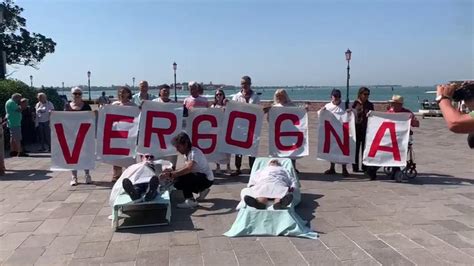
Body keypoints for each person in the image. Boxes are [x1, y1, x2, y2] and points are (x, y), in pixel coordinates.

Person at [159, 132, 214, 209]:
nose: (177, 149)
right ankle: (202, 190)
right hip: (203, 177)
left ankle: (190, 200)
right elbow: (184, 168)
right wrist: (170, 171)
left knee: (180, 179)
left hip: (206, 179)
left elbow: (188, 169)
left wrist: (172, 175)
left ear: (185, 144)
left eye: (178, 147)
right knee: (179, 178)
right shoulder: (187, 153)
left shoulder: (194, 153)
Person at [231, 76, 260, 176]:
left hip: (252, 126)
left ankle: (253, 168)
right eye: (243, 83)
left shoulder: (255, 96)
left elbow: (256, 109)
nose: (245, 85)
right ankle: (238, 168)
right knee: (238, 147)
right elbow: (233, 109)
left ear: (250, 84)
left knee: (252, 147)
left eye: (246, 83)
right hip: (239, 125)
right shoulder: (236, 96)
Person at [65, 87, 93, 186]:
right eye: (75, 93)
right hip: (71, 134)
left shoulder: (86, 106)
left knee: (85, 154)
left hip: (84, 134)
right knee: (73, 156)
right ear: (71, 95)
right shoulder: (67, 106)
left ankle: (87, 175)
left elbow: (91, 119)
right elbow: (63, 118)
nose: (77, 95)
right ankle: (74, 176)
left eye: (79, 94)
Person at [270, 89, 302, 173]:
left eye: (281, 96)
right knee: (280, 150)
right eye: (278, 96)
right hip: (279, 132)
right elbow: (269, 120)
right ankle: (280, 167)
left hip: (291, 131)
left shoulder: (292, 106)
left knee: (292, 150)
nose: (279, 98)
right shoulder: (274, 107)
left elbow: (300, 115)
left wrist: (304, 110)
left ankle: (292, 167)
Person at [320, 89, 350, 177]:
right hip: (331, 131)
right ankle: (332, 167)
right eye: (335, 96)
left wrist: (350, 111)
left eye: (338, 96)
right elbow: (320, 115)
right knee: (332, 149)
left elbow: (353, 114)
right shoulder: (328, 106)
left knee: (343, 150)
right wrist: (322, 111)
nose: (337, 98)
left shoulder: (345, 105)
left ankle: (344, 168)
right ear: (331, 96)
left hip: (343, 131)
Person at [111, 87, 137, 182]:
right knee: (116, 156)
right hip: (116, 134)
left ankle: (129, 176)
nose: (121, 94)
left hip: (128, 135)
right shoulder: (114, 105)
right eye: (120, 92)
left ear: (128, 94)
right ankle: (116, 176)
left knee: (128, 156)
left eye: (124, 92)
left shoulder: (133, 106)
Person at [152, 85, 179, 170]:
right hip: (157, 134)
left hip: (170, 134)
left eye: (167, 91)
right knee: (157, 157)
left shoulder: (174, 104)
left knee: (171, 155)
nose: (166, 92)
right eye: (164, 91)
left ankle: (171, 174)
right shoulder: (154, 102)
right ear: (160, 92)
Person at [352, 87, 374, 173]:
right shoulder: (355, 103)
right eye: (365, 94)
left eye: (368, 94)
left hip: (366, 129)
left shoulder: (370, 105)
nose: (366, 96)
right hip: (356, 129)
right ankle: (355, 166)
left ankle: (365, 166)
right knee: (356, 149)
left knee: (365, 149)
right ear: (360, 94)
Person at [210, 89, 231, 174]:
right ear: (215, 96)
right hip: (216, 130)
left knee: (227, 149)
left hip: (226, 129)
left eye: (220, 94)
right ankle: (218, 166)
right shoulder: (213, 106)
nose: (219, 96)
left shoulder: (228, 105)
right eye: (217, 94)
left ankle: (228, 166)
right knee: (217, 150)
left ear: (223, 95)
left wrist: (227, 104)